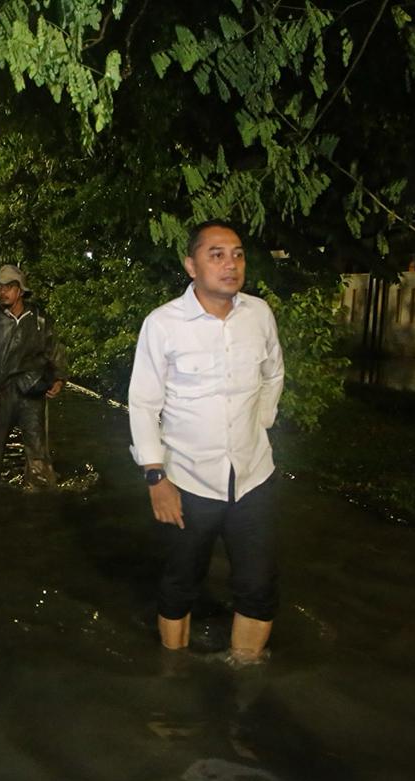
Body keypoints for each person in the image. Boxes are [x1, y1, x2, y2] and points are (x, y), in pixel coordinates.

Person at [127, 220, 285, 664]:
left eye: (237, 254)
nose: (230, 264)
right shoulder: (163, 325)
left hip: (253, 476)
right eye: (216, 254)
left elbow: (273, 373)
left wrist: (263, 421)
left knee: (258, 585)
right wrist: (156, 476)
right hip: (187, 482)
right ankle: (173, 676)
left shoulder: (259, 315)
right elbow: (142, 403)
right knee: (180, 583)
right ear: (190, 265)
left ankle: (245, 676)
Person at [0, 264, 68, 487]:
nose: (2, 292)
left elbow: (55, 350)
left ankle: (40, 491)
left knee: (37, 448)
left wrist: (59, 379)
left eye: (9, 287)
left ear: (20, 291)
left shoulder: (39, 319)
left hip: (31, 390)